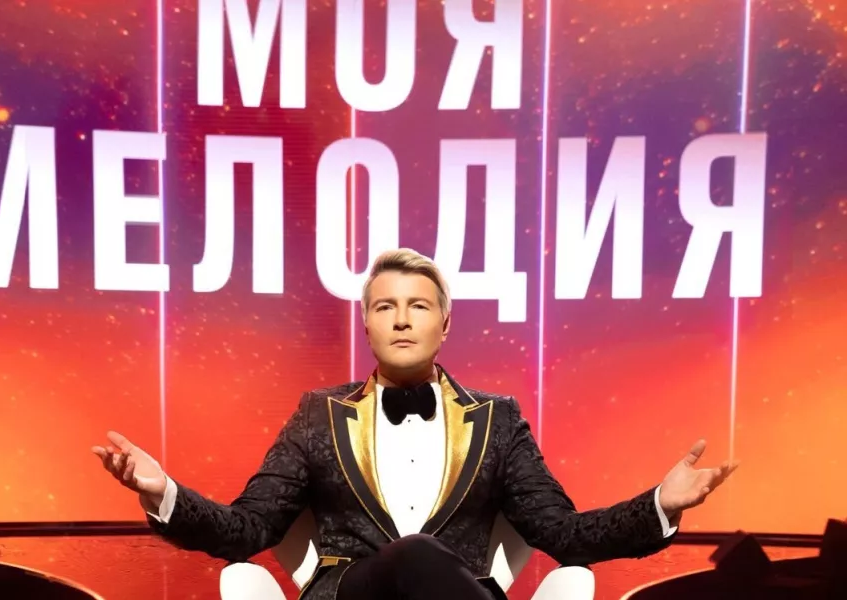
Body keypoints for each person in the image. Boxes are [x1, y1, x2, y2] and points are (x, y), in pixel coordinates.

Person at [93, 248, 738, 600]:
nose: (402, 319)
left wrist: (660, 504)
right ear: (367, 325)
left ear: (444, 323)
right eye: (386, 307)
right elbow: (248, 529)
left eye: (418, 306)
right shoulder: (318, 414)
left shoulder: (498, 419)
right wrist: (162, 492)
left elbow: (564, 534)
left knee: (434, 561)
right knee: (412, 553)